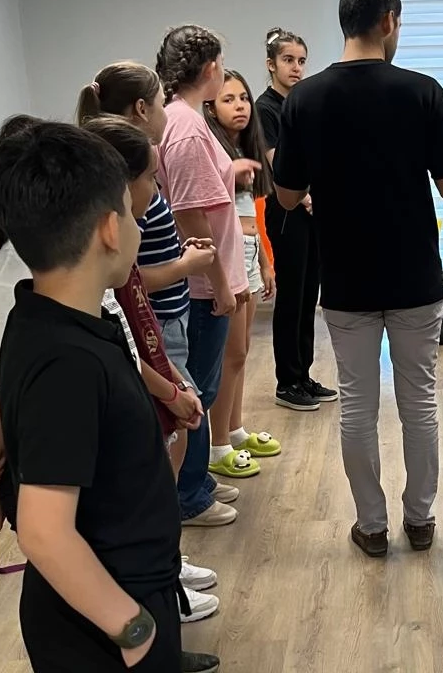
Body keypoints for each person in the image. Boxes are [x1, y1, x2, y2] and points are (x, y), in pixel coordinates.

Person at [0, 120, 222, 670]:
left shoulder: (49, 317)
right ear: (108, 230)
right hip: (103, 619)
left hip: (119, 585)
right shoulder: (66, 360)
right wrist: (133, 628)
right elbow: (44, 531)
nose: (138, 226)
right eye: (130, 212)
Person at [272, 0, 443, 557]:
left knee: (357, 406)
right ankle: (420, 519)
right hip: (415, 276)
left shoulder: (304, 98)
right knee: (420, 403)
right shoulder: (423, 92)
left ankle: (371, 525)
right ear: (388, 21)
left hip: (345, 278)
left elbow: (286, 195)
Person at [77, 61, 241, 523]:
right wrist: (186, 267)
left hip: (166, 316)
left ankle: (189, 491)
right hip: (158, 321)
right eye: (153, 179)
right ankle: (186, 499)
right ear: (141, 108)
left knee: (186, 405)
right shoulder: (127, 188)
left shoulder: (138, 171)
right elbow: (131, 279)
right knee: (182, 411)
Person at [155, 26, 275, 515]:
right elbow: (190, 214)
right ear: (209, 69)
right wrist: (222, 285)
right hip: (204, 285)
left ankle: (197, 480)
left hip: (210, 278)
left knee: (202, 388)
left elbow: (201, 190)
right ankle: (189, 494)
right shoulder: (185, 126)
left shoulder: (184, 119)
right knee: (199, 392)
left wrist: (231, 171)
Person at [257, 28, 336, 411]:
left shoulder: (301, 103)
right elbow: (277, 162)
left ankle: (303, 375)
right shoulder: (266, 108)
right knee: (291, 297)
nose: (296, 67)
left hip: (312, 211)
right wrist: (305, 197)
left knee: (308, 296)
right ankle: (287, 381)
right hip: (288, 210)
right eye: (288, 60)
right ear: (271, 64)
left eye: (302, 61)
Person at [205, 69, 280, 467]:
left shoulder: (241, 152)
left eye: (243, 98)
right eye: (228, 99)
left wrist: (265, 262)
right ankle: (218, 446)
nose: (240, 106)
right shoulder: (214, 155)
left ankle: (234, 429)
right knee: (230, 353)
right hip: (228, 253)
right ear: (211, 108)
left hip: (248, 251)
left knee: (241, 351)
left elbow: (254, 218)